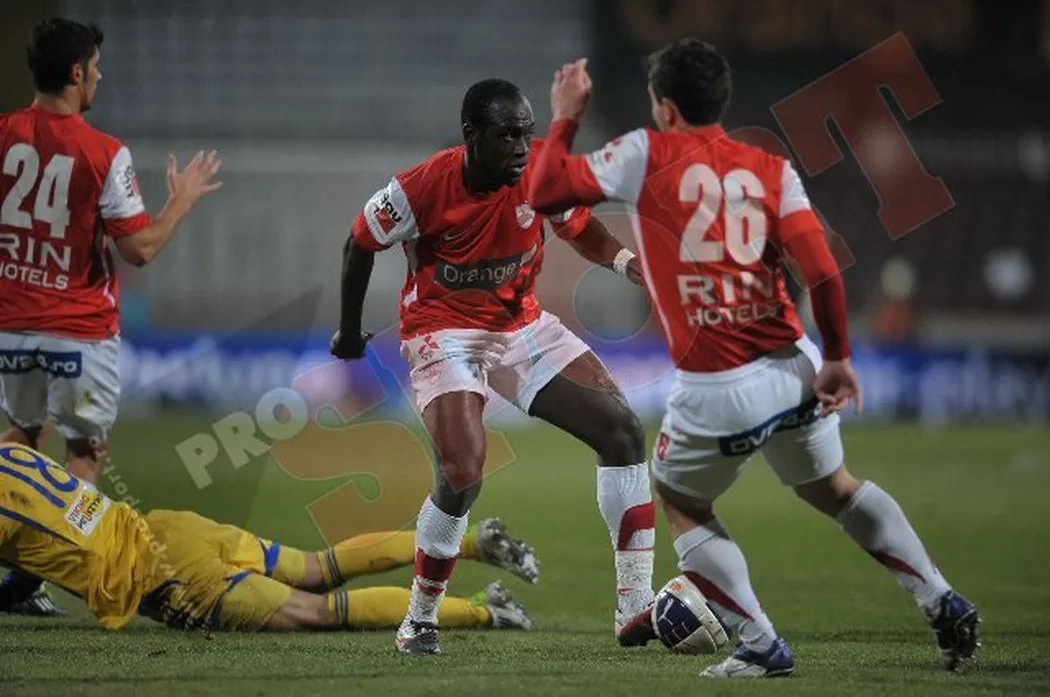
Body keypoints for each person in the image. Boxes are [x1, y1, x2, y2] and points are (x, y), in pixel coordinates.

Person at [528, 43, 980, 677]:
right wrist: (838, 357)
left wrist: (566, 114)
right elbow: (823, 273)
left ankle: (760, 641)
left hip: (717, 383)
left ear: (665, 107)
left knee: (682, 500)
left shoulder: (643, 154)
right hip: (794, 364)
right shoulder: (772, 169)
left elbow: (545, 189)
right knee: (835, 487)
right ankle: (941, 597)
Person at [331, 79, 656, 655]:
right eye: (507, 136)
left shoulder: (539, 174)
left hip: (521, 328)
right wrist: (350, 331)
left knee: (623, 432)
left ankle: (635, 609)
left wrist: (628, 264)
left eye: (526, 134)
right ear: (472, 136)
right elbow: (359, 243)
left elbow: (580, 227)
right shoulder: (419, 187)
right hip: (443, 334)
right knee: (464, 472)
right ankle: (419, 620)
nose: (521, 148)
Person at [0, 18, 222, 615]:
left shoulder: (2, 135)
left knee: (22, 441)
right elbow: (139, 249)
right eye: (95, 68)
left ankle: (20, 573)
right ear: (76, 74)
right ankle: (38, 577)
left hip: (11, 328)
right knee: (84, 451)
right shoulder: (102, 152)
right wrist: (180, 201)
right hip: (78, 334)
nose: (100, 77)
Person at [0, 442, 536, 633]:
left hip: (162, 574)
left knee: (319, 612)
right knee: (319, 567)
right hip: (169, 528)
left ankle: (487, 612)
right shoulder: (13, 453)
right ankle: (472, 542)